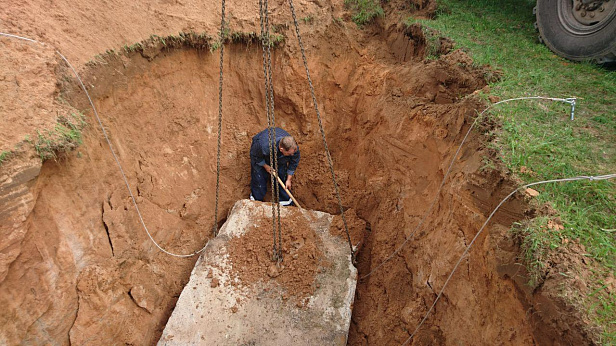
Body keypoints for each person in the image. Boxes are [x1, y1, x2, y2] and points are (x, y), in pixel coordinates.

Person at [249, 127, 300, 206]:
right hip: (260, 155)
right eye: (289, 154)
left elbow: (294, 162)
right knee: (259, 178)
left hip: (279, 157)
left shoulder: (293, 148)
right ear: (281, 149)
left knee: (282, 176)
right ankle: (256, 201)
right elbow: (255, 156)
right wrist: (265, 166)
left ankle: (285, 203)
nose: (292, 155)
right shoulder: (263, 146)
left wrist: (289, 179)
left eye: (293, 152)